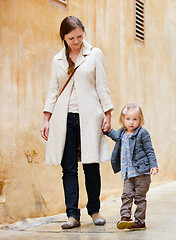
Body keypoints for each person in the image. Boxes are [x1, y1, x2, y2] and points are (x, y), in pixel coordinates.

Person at [40, 16, 114, 229]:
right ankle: (72, 215)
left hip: (90, 117)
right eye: (71, 37)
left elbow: (102, 85)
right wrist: (46, 119)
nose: (77, 41)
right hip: (64, 119)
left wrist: (107, 114)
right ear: (63, 37)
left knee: (91, 166)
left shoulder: (94, 54)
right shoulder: (57, 60)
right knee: (69, 168)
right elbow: (53, 91)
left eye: (80, 36)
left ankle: (95, 210)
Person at [105, 103, 159, 231]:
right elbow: (114, 136)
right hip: (128, 173)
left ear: (140, 120)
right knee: (126, 195)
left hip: (142, 173)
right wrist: (107, 130)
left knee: (140, 198)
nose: (131, 122)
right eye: (128, 119)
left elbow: (149, 150)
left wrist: (154, 165)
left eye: (135, 119)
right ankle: (125, 217)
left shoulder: (142, 133)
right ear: (122, 120)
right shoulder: (122, 132)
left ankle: (140, 222)